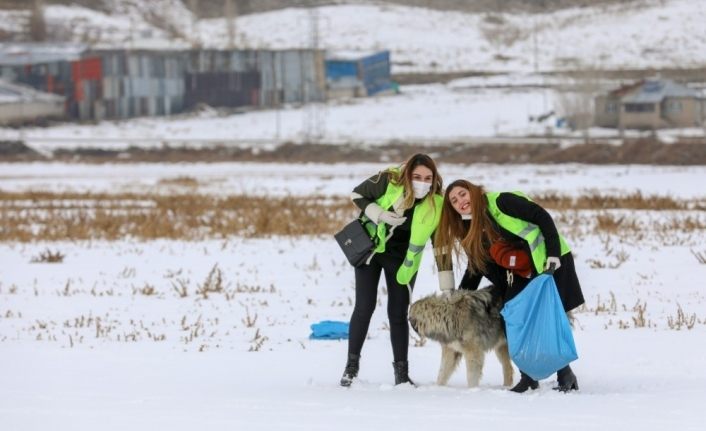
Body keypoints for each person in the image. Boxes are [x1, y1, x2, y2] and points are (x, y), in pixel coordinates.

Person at [433, 179, 585, 393]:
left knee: (550, 318)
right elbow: (475, 266)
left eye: (462, 194)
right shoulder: (469, 227)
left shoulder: (501, 202)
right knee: (511, 319)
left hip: (547, 262)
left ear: (473, 191)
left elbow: (542, 216)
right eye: (454, 201)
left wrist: (553, 254)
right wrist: (458, 296)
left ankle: (565, 374)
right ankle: (528, 376)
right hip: (519, 271)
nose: (460, 201)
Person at [340, 153, 449, 387]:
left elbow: (440, 246)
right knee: (364, 307)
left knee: (398, 313)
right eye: (417, 176)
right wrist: (379, 215)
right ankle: (351, 367)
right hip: (372, 249)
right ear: (408, 174)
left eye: (428, 178)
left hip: (402, 259)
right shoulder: (389, 179)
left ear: (434, 180)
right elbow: (356, 195)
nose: (422, 182)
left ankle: (401, 374)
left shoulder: (436, 205)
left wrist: (447, 284)